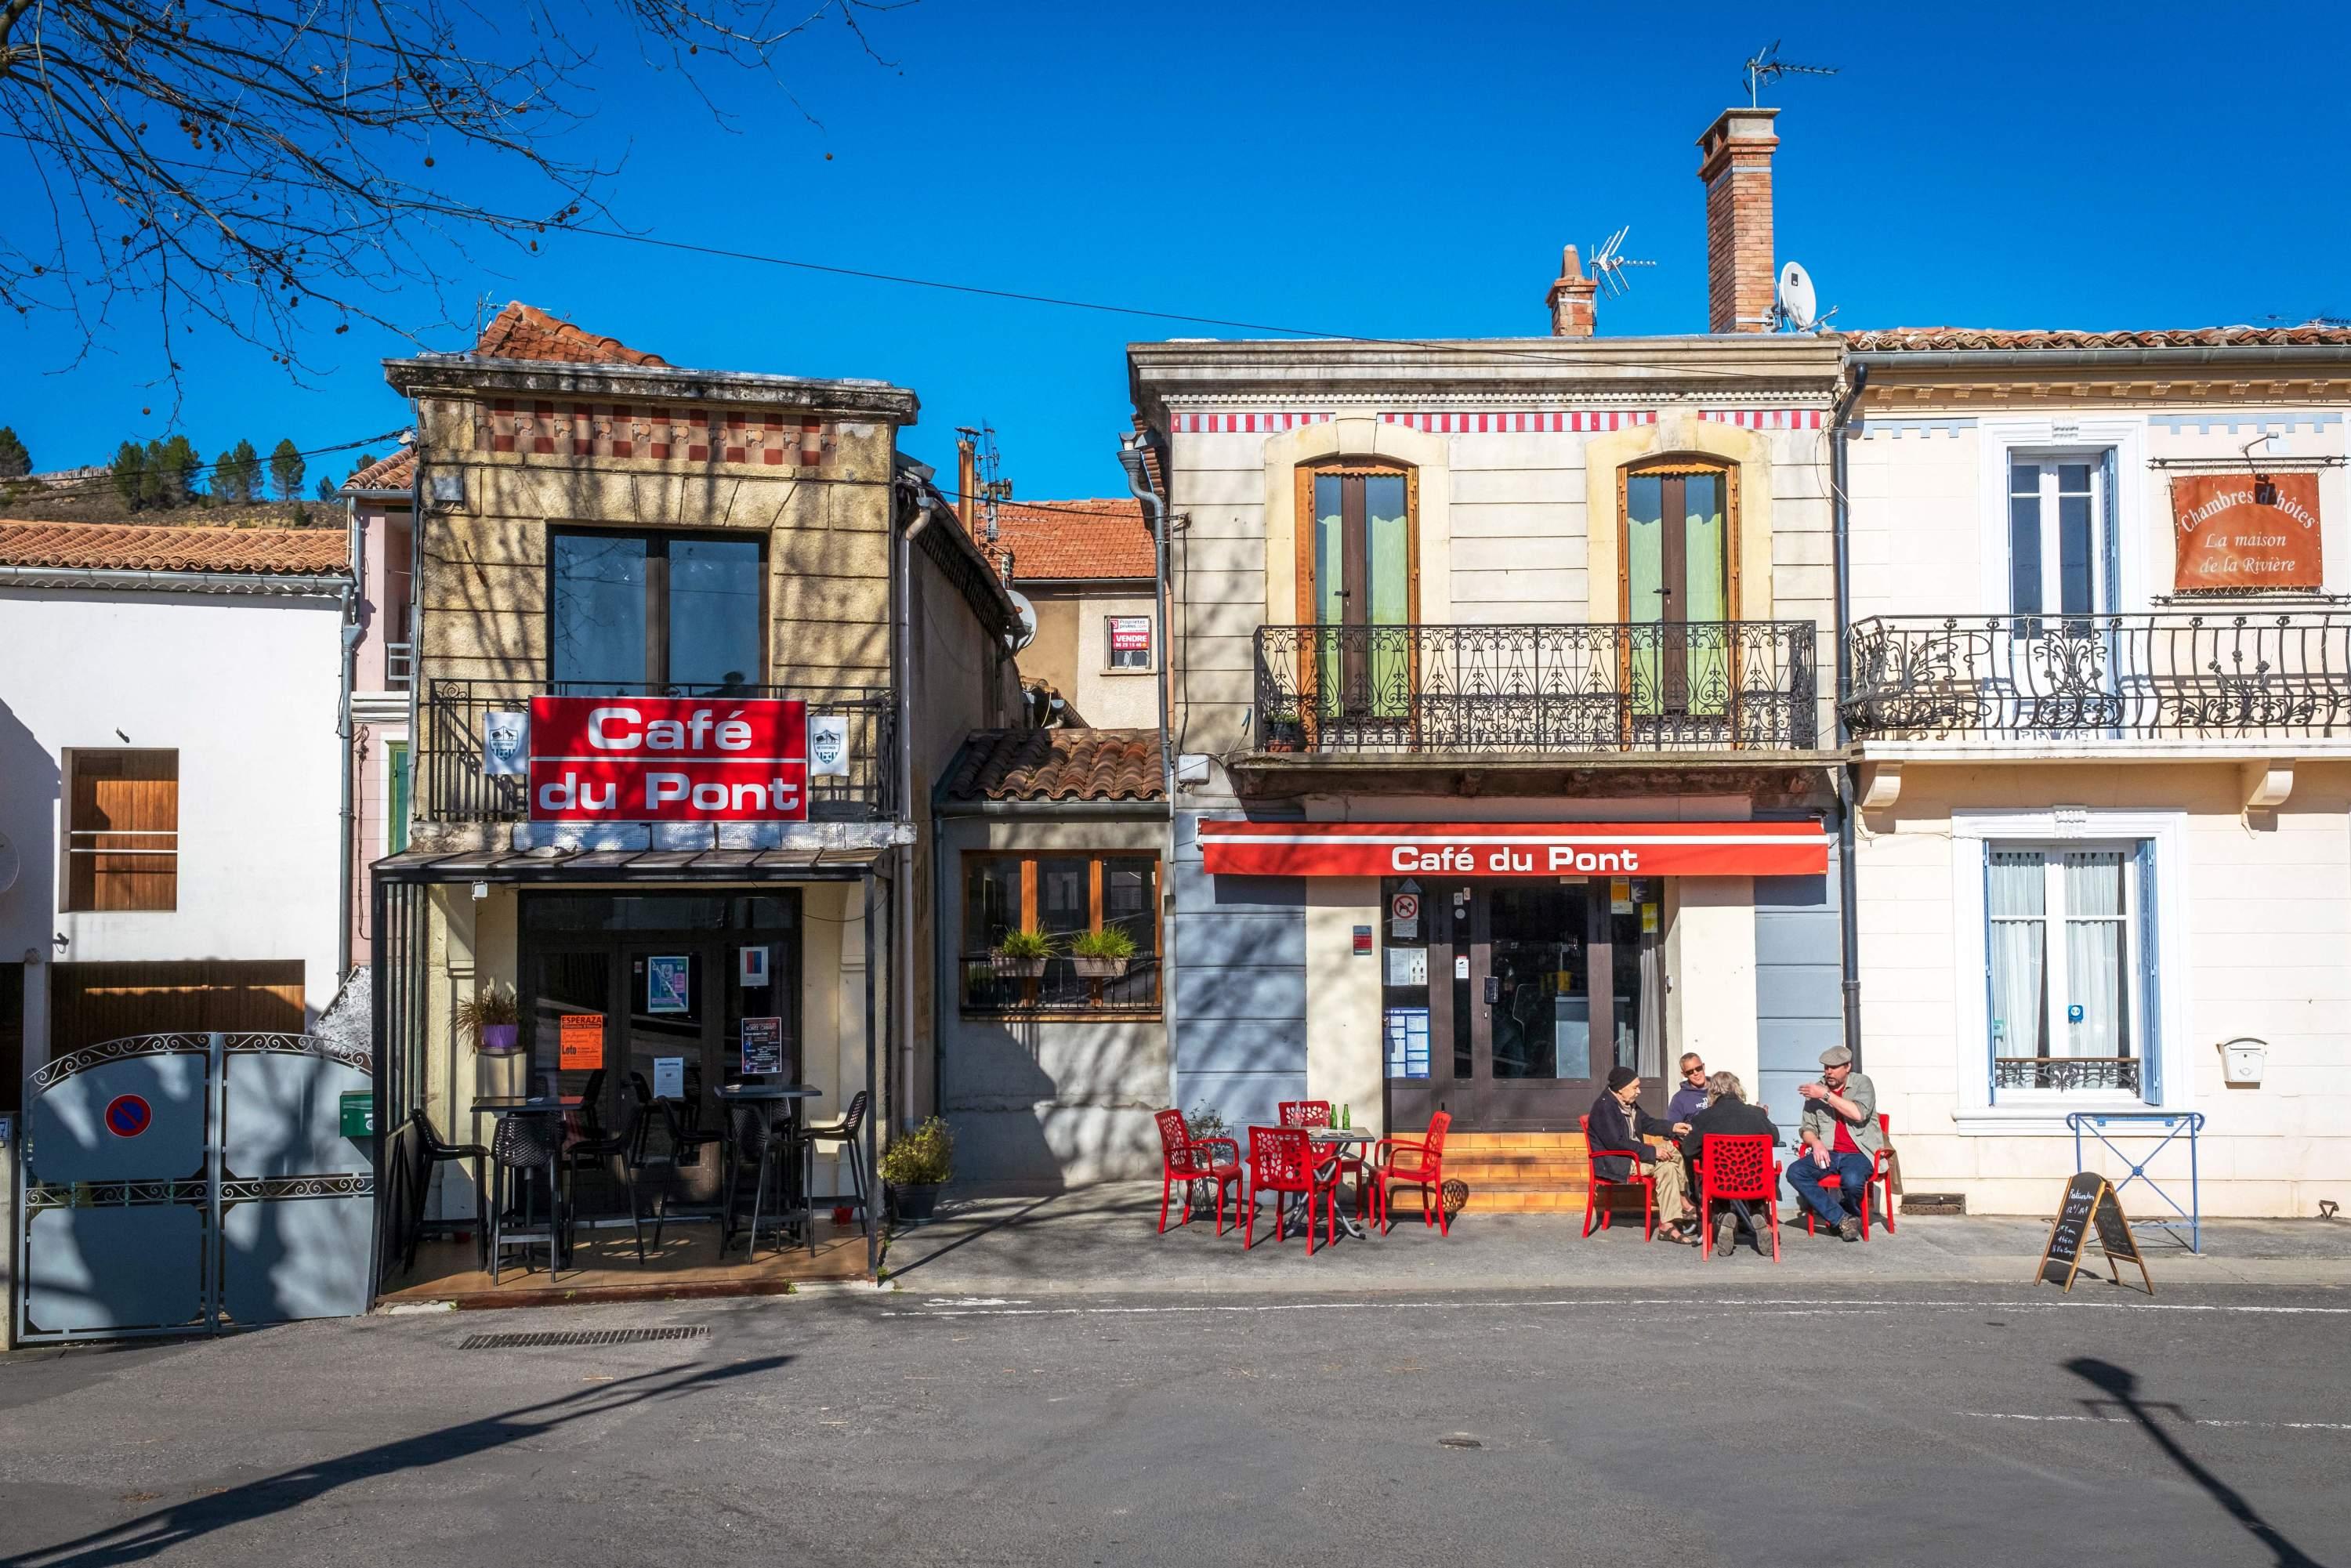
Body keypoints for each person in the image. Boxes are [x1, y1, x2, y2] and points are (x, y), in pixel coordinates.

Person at [1585, 1065, 1696, 1244]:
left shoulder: (1628, 1103)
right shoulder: (1604, 1108)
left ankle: (1681, 1201)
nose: (1639, 1091)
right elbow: (1616, 1143)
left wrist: (1672, 1127)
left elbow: (1648, 1123)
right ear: (1621, 1089)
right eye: (1635, 1087)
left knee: (1673, 1150)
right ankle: (1670, 1223)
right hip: (1617, 1160)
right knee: (1665, 1166)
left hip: (1633, 1154)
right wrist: (1652, 1151)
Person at [1789, 1045, 1885, 1241]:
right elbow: (1807, 1128)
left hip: (1859, 1152)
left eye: (1834, 1067)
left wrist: (1825, 1095)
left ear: (1848, 1067)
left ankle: (1845, 1212)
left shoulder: (1862, 1083)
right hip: (1830, 1153)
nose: (1829, 1072)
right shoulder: (1817, 1089)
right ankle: (1842, 1219)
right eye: (1826, 1067)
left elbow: (1858, 1114)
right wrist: (1815, 1143)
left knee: (1852, 1181)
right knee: (1795, 1172)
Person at [1678, 1070, 1778, 1258]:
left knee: (1713, 1172)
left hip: (1721, 1185)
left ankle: (1724, 1214)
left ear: (1713, 1092)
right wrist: (1765, 1117)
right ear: (1737, 1089)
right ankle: (1757, 1212)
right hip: (1755, 1184)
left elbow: (1689, 1150)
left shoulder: (1704, 1117)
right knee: (1752, 1171)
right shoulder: (1756, 1114)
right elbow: (1775, 1138)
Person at [1666, 1053, 1710, 1122]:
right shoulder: (1679, 1099)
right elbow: (1673, 1127)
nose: (1696, 1073)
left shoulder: (1721, 1089)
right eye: (1690, 1072)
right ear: (1684, 1074)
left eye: (1698, 1068)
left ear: (1703, 1067)